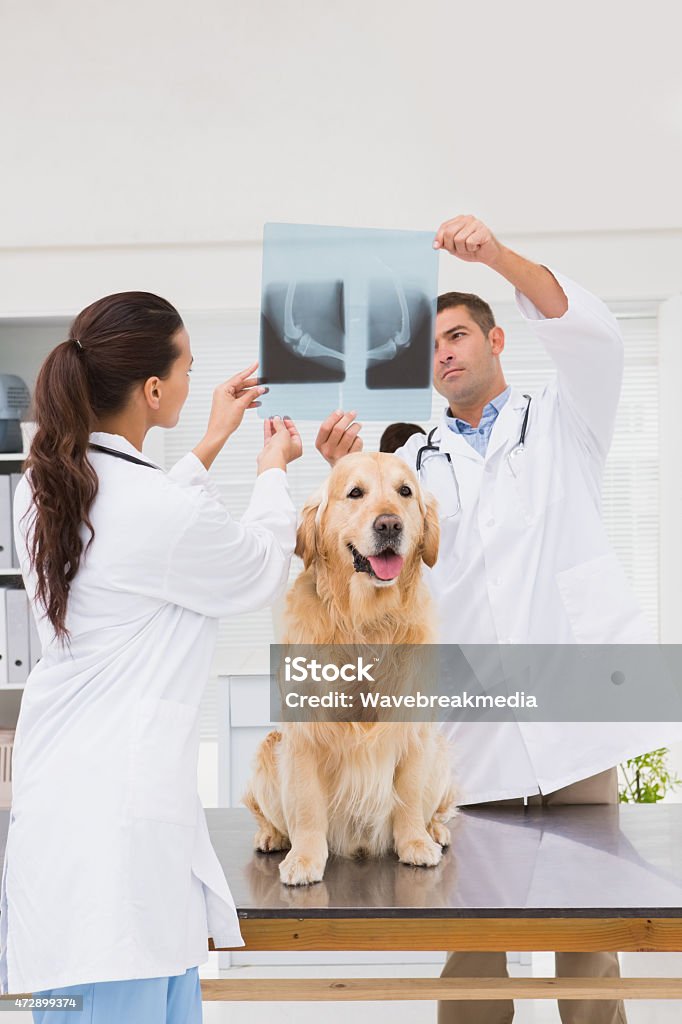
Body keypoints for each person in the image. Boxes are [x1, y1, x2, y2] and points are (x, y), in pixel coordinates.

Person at [315, 214, 680, 1024]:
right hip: (469, 722)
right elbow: (367, 562)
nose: (444, 353)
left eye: (457, 336)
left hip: (575, 711)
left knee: (590, 924)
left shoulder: (565, 422)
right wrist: (330, 466)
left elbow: (590, 335)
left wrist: (497, 256)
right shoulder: (410, 466)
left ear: (496, 340)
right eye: (431, 347)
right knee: (470, 924)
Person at [0, 292, 302, 1023]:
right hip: (120, 840)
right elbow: (258, 566)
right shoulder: (149, 509)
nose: (197, 378)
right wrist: (273, 471)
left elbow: (147, 524)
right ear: (154, 389)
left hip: (69, 816)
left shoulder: (44, 488)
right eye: (189, 367)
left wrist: (210, 441)